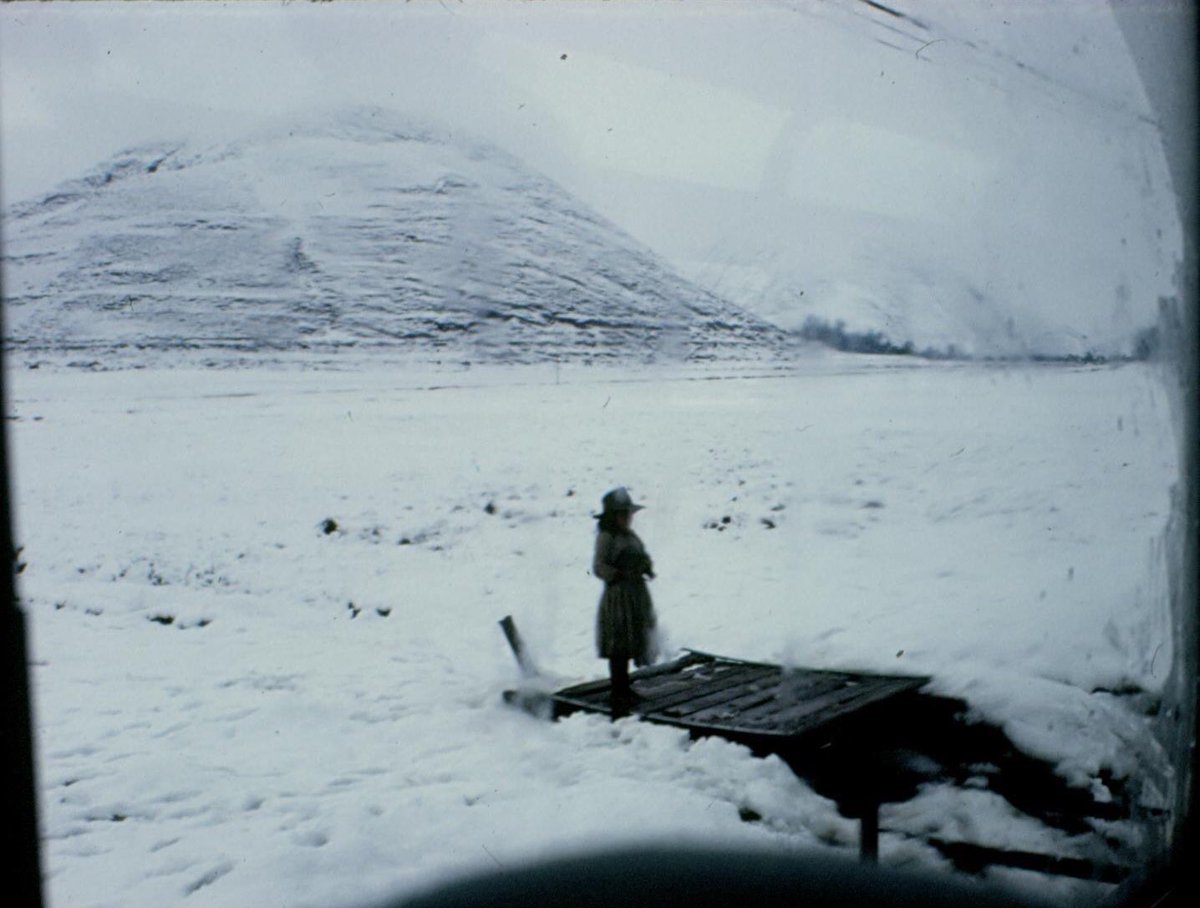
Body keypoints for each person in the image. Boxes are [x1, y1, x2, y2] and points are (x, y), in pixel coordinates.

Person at [592, 487, 658, 711]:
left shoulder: (631, 537)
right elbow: (599, 566)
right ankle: (618, 690)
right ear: (613, 516)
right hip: (618, 597)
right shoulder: (606, 537)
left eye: (628, 514)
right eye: (622, 514)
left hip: (636, 595)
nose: (627, 518)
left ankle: (625, 688)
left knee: (632, 640)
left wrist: (646, 567)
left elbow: (642, 555)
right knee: (618, 642)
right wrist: (619, 575)